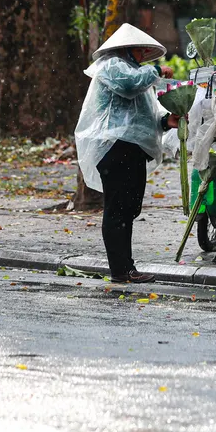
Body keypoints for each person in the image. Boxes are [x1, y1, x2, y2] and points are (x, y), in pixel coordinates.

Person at [75, 24, 178, 284]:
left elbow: (144, 114)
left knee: (129, 208)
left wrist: (165, 121)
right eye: (140, 50)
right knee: (117, 209)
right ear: (127, 48)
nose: (143, 55)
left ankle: (127, 267)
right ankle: (120, 270)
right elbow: (129, 86)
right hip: (114, 146)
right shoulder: (112, 66)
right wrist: (156, 71)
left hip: (132, 149)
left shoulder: (136, 71)